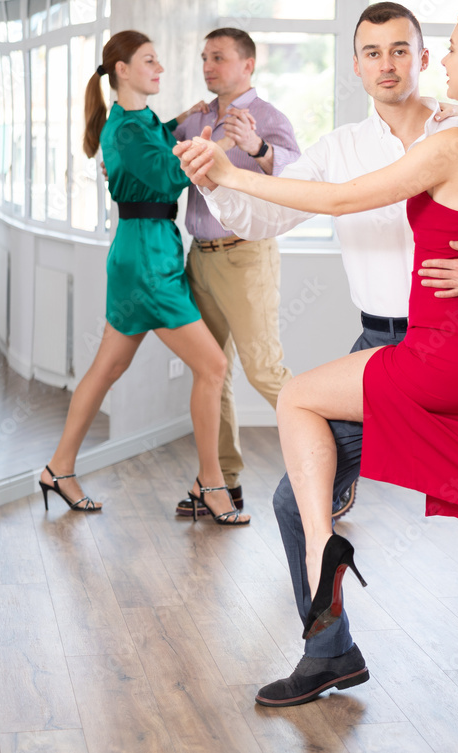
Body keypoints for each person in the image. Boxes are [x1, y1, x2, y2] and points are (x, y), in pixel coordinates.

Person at [179, 6, 458, 737]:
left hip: (437, 354)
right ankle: (342, 651)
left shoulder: (455, 131)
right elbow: (275, 213)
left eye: (420, 49)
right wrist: (231, 179)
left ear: (429, 60)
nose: (390, 63)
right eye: (370, 52)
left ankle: (338, 555)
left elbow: (349, 202)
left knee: (299, 403)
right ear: (356, 64)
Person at [38, 30, 249, 525]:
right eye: (149, 61)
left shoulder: (136, 121)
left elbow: (155, 139)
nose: (159, 68)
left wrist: (182, 119)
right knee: (213, 367)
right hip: (149, 261)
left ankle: (58, 469)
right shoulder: (127, 130)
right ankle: (212, 484)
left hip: (140, 252)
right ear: (122, 71)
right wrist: (219, 137)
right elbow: (169, 174)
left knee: (107, 369)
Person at [169, 28, 300, 515]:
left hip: (247, 257)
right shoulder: (196, 119)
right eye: (204, 57)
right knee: (211, 371)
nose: (208, 66)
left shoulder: (267, 118)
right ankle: (223, 482)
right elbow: (162, 158)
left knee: (265, 370)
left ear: (248, 64)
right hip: (198, 258)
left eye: (219, 57)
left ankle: (334, 473)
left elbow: (298, 176)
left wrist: (261, 148)